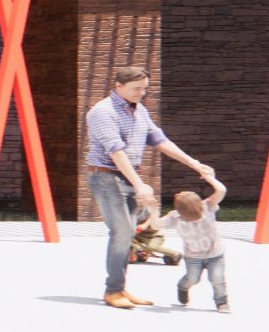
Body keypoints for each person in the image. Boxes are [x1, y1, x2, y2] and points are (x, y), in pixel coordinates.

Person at [83, 66, 216, 310]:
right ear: (118, 86)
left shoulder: (139, 110)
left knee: (128, 232)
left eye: (145, 89)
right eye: (136, 89)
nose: (141, 93)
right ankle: (113, 291)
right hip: (106, 177)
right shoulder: (103, 112)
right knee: (122, 232)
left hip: (126, 177)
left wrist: (193, 163)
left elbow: (159, 140)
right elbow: (116, 152)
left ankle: (120, 288)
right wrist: (139, 185)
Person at [163, 178, 230, 313]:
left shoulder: (207, 206)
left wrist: (209, 177)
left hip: (215, 254)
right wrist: (153, 210)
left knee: (217, 278)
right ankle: (182, 286)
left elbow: (221, 190)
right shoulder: (176, 217)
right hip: (193, 256)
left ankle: (221, 302)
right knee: (193, 279)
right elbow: (156, 224)